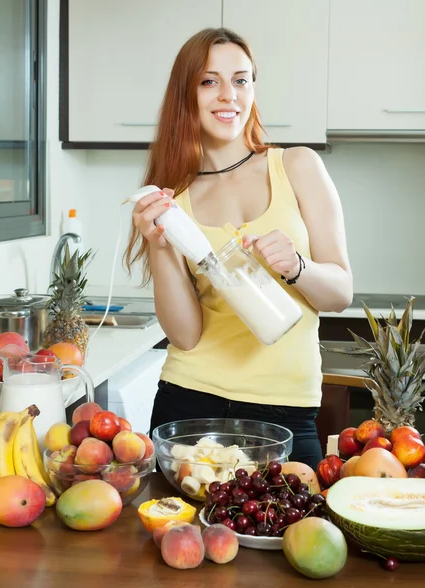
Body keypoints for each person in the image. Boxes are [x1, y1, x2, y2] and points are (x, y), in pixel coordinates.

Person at [125, 28, 353, 470]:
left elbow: (340, 293)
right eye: (209, 81)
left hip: (285, 411)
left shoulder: (297, 165)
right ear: (185, 94)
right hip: (188, 404)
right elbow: (186, 336)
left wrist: (298, 268)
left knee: (292, 534)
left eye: (241, 80)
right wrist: (159, 248)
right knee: (180, 535)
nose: (228, 95)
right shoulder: (176, 201)